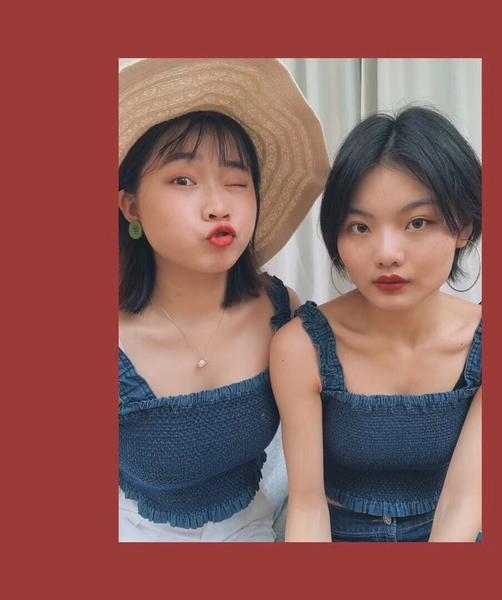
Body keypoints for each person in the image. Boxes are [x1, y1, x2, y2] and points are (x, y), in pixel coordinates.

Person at [118, 59, 329, 542]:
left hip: (252, 530)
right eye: (183, 181)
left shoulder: (282, 312)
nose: (219, 206)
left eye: (237, 182)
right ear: (132, 206)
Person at [270, 107, 482, 542]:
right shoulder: (302, 346)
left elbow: (464, 501)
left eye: (417, 223)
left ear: (463, 225)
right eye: (360, 227)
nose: (386, 254)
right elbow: (307, 508)